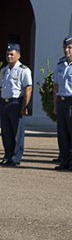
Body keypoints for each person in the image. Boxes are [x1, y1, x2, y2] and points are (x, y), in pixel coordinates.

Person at [0, 43, 32, 166]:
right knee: (6, 132)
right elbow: (0, 88)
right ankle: (8, 155)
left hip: (16, 102)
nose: (9, 56)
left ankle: (16, 157)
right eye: (7, 54)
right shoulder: (4, 70)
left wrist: (24, 106)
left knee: (17, 132)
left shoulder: (23, 70)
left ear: (18, 55)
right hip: (5, 103)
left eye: (12, 54)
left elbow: (28, 88)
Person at [52, 36, 72, 170]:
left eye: (70, 48)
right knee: (62, 134)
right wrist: (55, 104)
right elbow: (56, 86)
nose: (66, 50)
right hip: (61, 102)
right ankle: (64, 161)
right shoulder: (60, 64)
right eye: (65, 47)